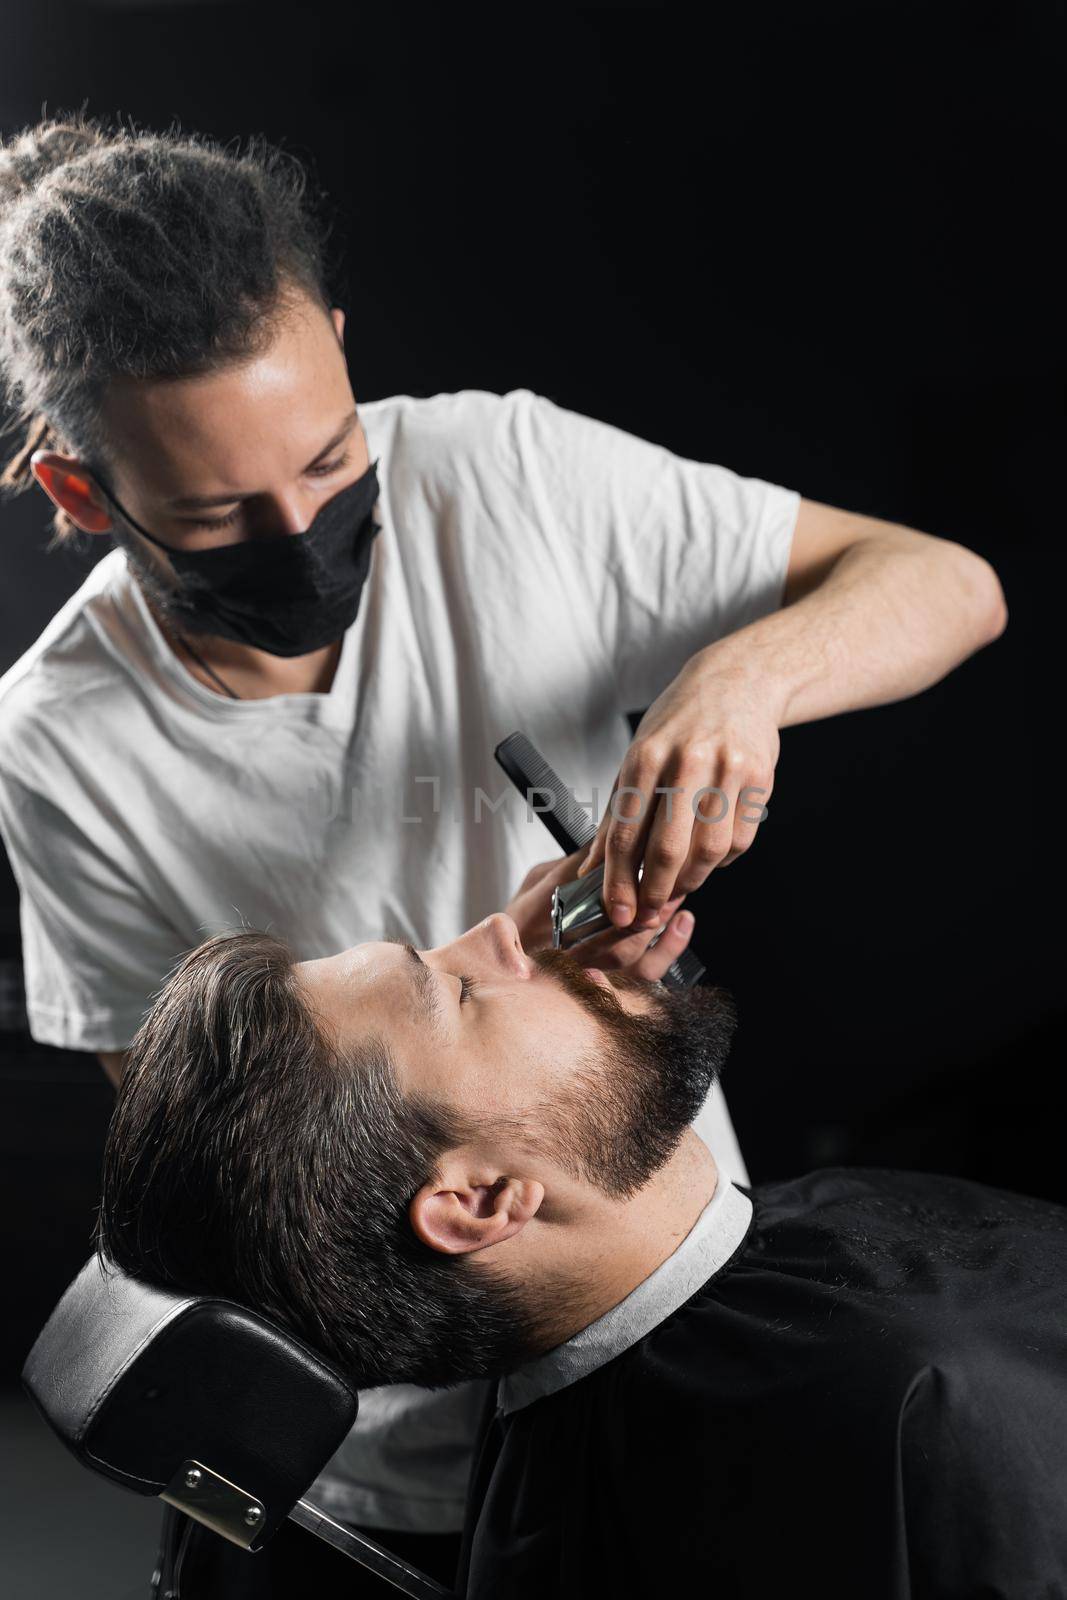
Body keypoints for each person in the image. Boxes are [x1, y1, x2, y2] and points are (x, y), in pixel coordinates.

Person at [0, 111, 1007, 1590]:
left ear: (340, 346)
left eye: (333, 461)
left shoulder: (503, 475)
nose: (305, 529)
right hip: (386, 1451)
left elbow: (946, 585)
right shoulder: (56, 746)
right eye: (222, 514)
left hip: (672, 1329)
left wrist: (738, 680)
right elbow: (215, 1159)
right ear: (81, 491)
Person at [97, 912, 1067, 1597]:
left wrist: (512, 1001)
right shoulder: (917, 1410)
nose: (505, 926)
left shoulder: (560, 1460)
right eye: (463, 990)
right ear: (481, 1201)